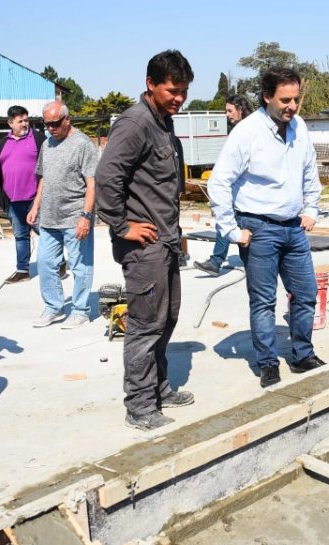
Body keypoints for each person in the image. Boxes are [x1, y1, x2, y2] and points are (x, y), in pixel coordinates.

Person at [96, 50, 196, 431]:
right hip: (144, 246)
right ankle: (139, 406)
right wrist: (122, 227)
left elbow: (162, 186)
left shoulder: (164, 121)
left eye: (184, 91)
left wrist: (177, 231)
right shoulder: (134, 124)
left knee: (166, 318)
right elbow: (107, 178)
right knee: (144, 325)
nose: (179, 98)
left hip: (166, 239)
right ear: (150, 84)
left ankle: (158, 387)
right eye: (173, 90)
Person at [208, 66, 325, 389]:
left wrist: (311, 209)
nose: (292, 106)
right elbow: (219, 182)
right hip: (258, 228)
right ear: (266, 97)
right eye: (285, 100)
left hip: (293, 228)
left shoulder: (299, 127)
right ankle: (267, 362)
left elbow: (309, 172)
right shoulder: (246, 133)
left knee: (306, 294)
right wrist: (232, 230)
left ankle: (302, 355)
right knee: (263, 301)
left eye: (296, 100)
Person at [27, 101, 97, 329]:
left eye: (55, 124)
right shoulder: (47, 145)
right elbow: (43, 178)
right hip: (49, 217)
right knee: (46, 263)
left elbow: (92, 182)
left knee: (80, 266)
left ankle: (80, 310)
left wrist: (86, 216)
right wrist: (36, 206)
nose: (51, 128)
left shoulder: (83, 144)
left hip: (74, 216)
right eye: (46, 124)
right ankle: (53, 307)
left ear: (67, 119)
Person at [195, 94, 256, 276]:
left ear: (240, 109)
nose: (227, 115)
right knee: (227, 224)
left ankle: (220, 262)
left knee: (233, 226)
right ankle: (217, 262)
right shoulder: (240, 131)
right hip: (237, 190)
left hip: (248, 193)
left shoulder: (250, 130)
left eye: (230, 111)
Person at [0, 105, 46, 283]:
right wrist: (2, 199)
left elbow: (48, 167)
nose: (24, 124)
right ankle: (22, 270)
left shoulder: (38, 138)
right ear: (10, 124)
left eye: (26, 119)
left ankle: (58, 263)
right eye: (20, 121)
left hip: (36, 199)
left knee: (46, 233)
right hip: (13, 200)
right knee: (21, 236)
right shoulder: (2, 143)